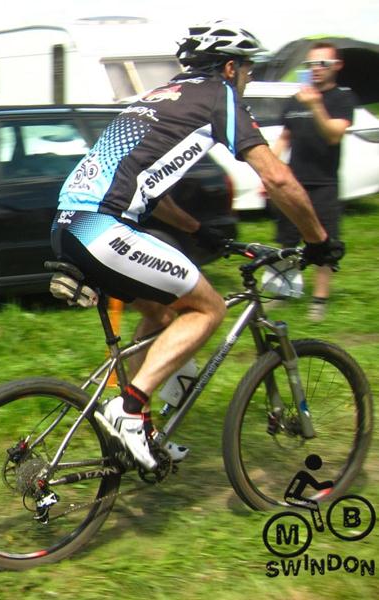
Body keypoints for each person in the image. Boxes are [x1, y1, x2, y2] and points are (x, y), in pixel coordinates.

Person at [51, 21, 344, 471]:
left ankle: (139, 424)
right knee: (208, 308)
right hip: (104, 227)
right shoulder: (218, 96)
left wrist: (200, 231)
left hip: (68, 224)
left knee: (160, 314)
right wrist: (318, 240)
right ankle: (130, 410)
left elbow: (152, 190)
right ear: (229, 68)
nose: (247, 76)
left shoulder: (160, 96)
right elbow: (277, 177)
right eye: (246, 68)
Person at [272, 42, 355, 321]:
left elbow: (333, 135)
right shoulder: (295, 99)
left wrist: (316, 104)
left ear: (337, 66)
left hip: (324, 183)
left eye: (323, 64)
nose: (316, 69)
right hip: (293, 182)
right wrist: (270, 171)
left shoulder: (342, 98)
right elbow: (285, 137)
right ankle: (283, 292)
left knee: (324, 241)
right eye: (311, 64)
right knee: (286, 240)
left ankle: (319, 299)